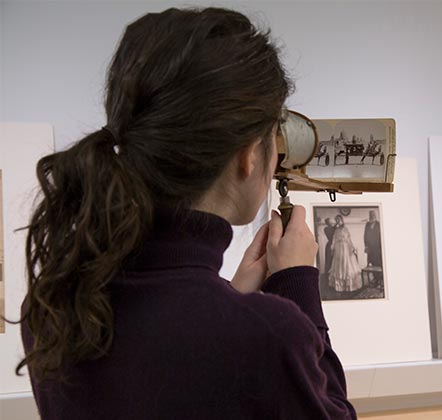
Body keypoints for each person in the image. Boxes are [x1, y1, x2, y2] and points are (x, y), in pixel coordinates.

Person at [15, 7, 356, 419]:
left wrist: (227, 298)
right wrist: (296, 284)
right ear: (249, 155)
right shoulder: (268, 334)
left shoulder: (54, 306)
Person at [328, 215, 362, 292]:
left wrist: (352, 248)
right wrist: (332, 248)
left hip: (346, 248)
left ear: (342, 221)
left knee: (347, 264)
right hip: (338, 248)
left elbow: (349, 239)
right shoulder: (336, 231)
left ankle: (349, 285)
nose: (338, 222)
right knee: (339, 265)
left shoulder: (346, 229)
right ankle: (340, 286)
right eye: (337, 220)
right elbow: (334, 240)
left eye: (339, 220)